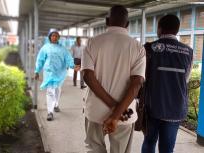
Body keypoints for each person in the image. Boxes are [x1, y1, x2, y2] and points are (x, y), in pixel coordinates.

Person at [81, 5, 146, 153]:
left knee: (94, 148)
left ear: (106, 21)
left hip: (95, 111)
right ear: (127, 24)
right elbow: (137, 83)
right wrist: (117, 113)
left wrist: (113, 107)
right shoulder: (138, 47)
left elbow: (87, 76)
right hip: (124, 114)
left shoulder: (92, 43)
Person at [141, 14, 193, 153]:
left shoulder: (148, 48)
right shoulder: (188, 51)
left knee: (149, 142)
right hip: (175, 109)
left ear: (160, 29)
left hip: (152, 107)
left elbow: (141, 78)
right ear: (177, 30)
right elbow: (186, 78)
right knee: (167, 148)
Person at [34, 30, 74, 121]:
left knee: (57, 89)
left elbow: (68, 58)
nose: (54, 37)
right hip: (48, 73)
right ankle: (50, 112)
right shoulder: (45, 48)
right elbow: (40, 59)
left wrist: (72, 66)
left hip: (60, 73)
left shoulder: (62, 49)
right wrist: (37, 70)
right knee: (50, 91)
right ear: (50, 37)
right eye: (53, 36)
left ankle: (56, 104)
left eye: (56, 36)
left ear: (58, 38)